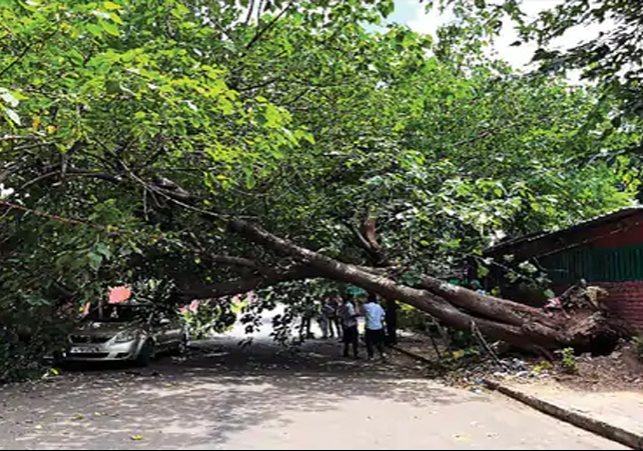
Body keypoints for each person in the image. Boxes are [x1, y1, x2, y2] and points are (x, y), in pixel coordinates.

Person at [362, 293, 386, 360]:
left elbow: (361, 313)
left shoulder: (365, 306)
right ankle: (382, 353)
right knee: (379, 341)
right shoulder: (378, 306)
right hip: (378, 326)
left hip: (369, 326)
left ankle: (371, 356)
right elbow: (383, 315)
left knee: (369, 342)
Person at [341, 293, 359, 358]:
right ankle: (355, 354)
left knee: (347, 339)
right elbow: (352, 315)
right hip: (352, 324)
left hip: (345, 324)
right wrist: (358, 314)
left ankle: (345, 352)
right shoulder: (349, 305)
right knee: (354, 339)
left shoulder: (343, 305)